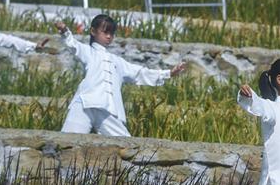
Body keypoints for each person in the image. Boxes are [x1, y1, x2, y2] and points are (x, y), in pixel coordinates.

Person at [55, 16, 185, 137]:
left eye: (111, 33)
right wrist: (65, 31)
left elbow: (140, 72)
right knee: (66, 141)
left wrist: (168, 73)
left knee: (125, 143)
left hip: (107, 109)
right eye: (105, 32)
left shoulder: (118, 61)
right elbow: (73, 45)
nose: (109, 36)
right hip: (84, 103)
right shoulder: (88, 52)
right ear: (93, 32)